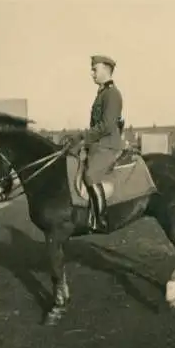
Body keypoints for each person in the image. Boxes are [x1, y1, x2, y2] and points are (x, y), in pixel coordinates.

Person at [73, 55, 124, 233]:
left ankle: (101, 219)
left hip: (108, 145)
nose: (92, 73)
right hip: (99, 144)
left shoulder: (112, 94)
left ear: (106, 70)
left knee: (90, 175)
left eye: (95, 69)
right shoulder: (103, 93)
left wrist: (84, 137)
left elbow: (107, 125)